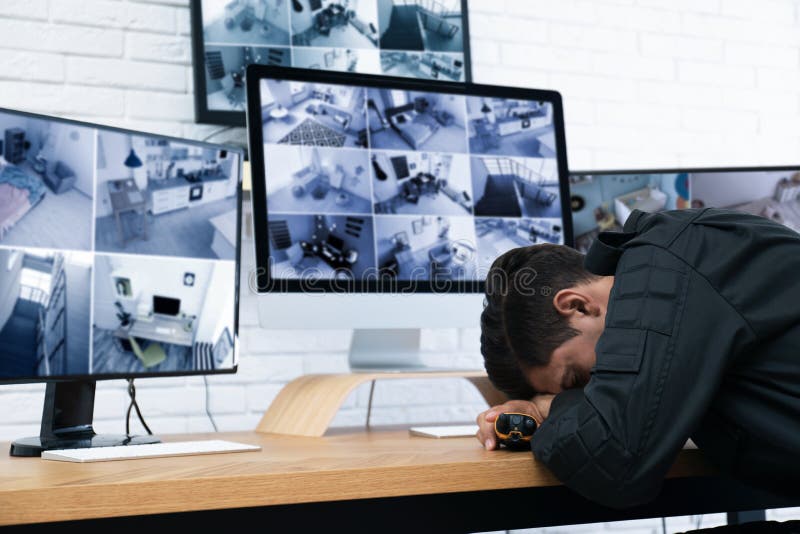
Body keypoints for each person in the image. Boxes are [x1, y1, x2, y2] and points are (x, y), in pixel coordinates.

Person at [475, 208, 800, 508]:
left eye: (575, 381)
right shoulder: (668, 261)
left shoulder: (665, 267)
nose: (585, 396)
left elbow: (616, 466)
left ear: (578, 306)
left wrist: (548, 407)